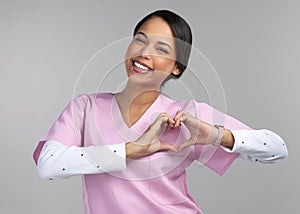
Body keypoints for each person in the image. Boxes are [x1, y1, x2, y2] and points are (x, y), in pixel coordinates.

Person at [33, 10, 288, 214]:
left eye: (162, 49)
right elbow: (49, 165)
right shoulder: (85, 108)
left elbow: (276, 150)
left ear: (177, 68)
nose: (144, 53)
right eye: (140, 40)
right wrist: (131, 150)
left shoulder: (187, 115)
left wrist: (217, 135)